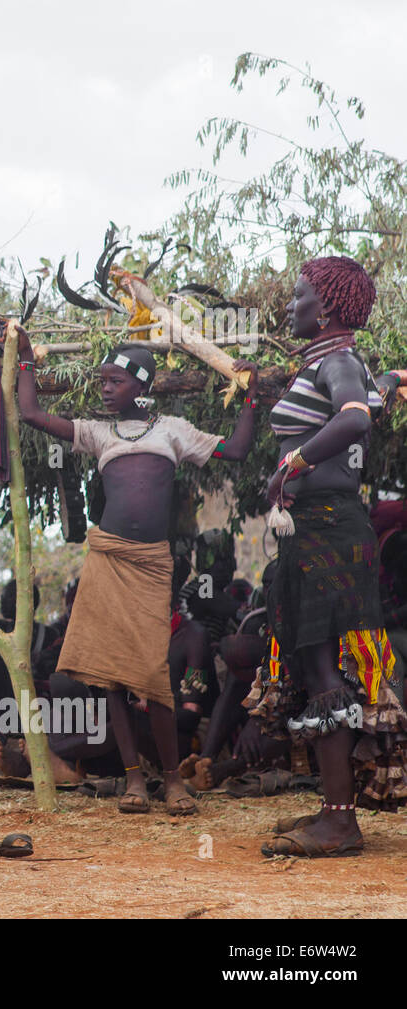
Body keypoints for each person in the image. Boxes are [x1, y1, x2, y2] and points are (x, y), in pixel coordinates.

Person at [14, 322, 258, 815]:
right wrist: (24, 362)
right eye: (102, 381)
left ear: (142, 386)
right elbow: (30, 412)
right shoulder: (98, 433)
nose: (105, 389)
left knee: (151, 675)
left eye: (115, 382)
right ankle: (133, 782)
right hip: (106, 558)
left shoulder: (172, 430)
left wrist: (251, 398)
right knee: (109, 677)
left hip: (150, 566)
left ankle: (171, 780)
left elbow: (235, 449)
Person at [241, 256, 407, 857]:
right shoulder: (333, 363)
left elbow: (355, 418)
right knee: (316, 666)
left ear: (328, 307)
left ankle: (340, 823)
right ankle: (332, 809)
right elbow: (372, 402)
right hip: (319, 530)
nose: (290, 306)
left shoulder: (336, 361)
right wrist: (389, 379)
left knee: (321, 670)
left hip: (327, 531)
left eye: (299, 296)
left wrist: (292, 464)